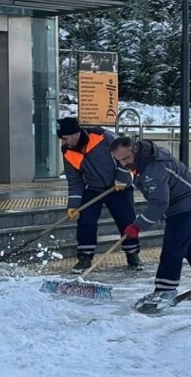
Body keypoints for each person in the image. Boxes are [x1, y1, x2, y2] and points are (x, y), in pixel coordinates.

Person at [109, 136, 191, 310]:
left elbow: (160, 202)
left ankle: (165, 290)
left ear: (135, 149)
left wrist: (138, 225)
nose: (124, 164)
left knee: (173, 246)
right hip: (178, 203)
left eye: (126, 159)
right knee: (189, 244)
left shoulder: (154, 167)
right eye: (119, 161)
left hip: (188, 202)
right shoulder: (143, 160)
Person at [57, 117, 141, 273]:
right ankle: (85, 257)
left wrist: (121, 178)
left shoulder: (102, 136)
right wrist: (74, 205)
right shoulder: (68, 152)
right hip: (93, 188)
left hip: (119, 187)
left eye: (66, 138)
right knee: (86, 221)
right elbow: (75, 181)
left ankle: (132, 254)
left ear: (75, 133)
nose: (65, 142)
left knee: (126, 221)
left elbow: (126, 157)